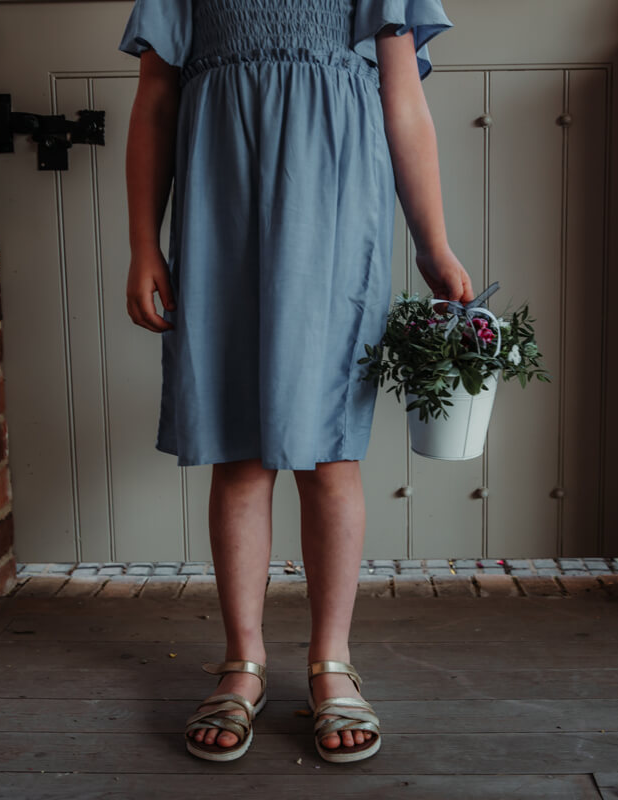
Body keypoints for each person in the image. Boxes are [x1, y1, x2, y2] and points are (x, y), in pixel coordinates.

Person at [118, 0, 473, 764]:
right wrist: (144, 242)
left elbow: (404, 98)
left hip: (338, 210)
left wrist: (433, 243)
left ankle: (331, 663)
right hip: (222, 207)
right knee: (239, 453)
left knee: (329, 452)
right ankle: (242, 662)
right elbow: (155, 100)